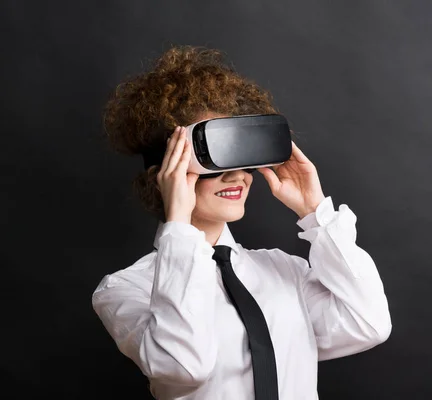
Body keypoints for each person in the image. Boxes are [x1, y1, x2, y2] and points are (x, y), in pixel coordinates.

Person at [91, 45, 392, 400]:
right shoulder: (126, 289)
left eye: (242, 156)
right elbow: (184, 367)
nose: (235, 177)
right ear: (166, 171)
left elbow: (369, 324)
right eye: (213, 160)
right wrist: (180, 227)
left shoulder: (284, 271)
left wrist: (316, 212)